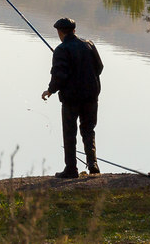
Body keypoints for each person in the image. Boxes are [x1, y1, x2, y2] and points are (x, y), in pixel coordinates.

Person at [41, 17, 103, 178]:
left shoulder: (61, 50)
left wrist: (50, 90)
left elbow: (59, 75)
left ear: (60, 32)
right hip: (91, 95)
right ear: (74, 30)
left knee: (70, 132)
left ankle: (71, 169)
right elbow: (100, 67)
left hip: (71, 98)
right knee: (88, 129)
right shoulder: (89, 44)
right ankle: (93, 164)